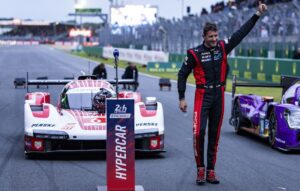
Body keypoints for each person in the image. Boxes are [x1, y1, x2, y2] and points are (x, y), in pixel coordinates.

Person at [177, 1, 267, 186]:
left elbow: (241, 33)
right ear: (204, 36)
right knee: (198, 132)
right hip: (202, 96)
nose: (214, 39)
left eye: (216, 36)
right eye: (210, 36)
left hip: (219, 96)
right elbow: (182, 74)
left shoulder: (223, 47)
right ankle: (200, 168)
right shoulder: (194, 53)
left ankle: (210, 170)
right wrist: (182, 98)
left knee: (214, 135)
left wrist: (257, 14)